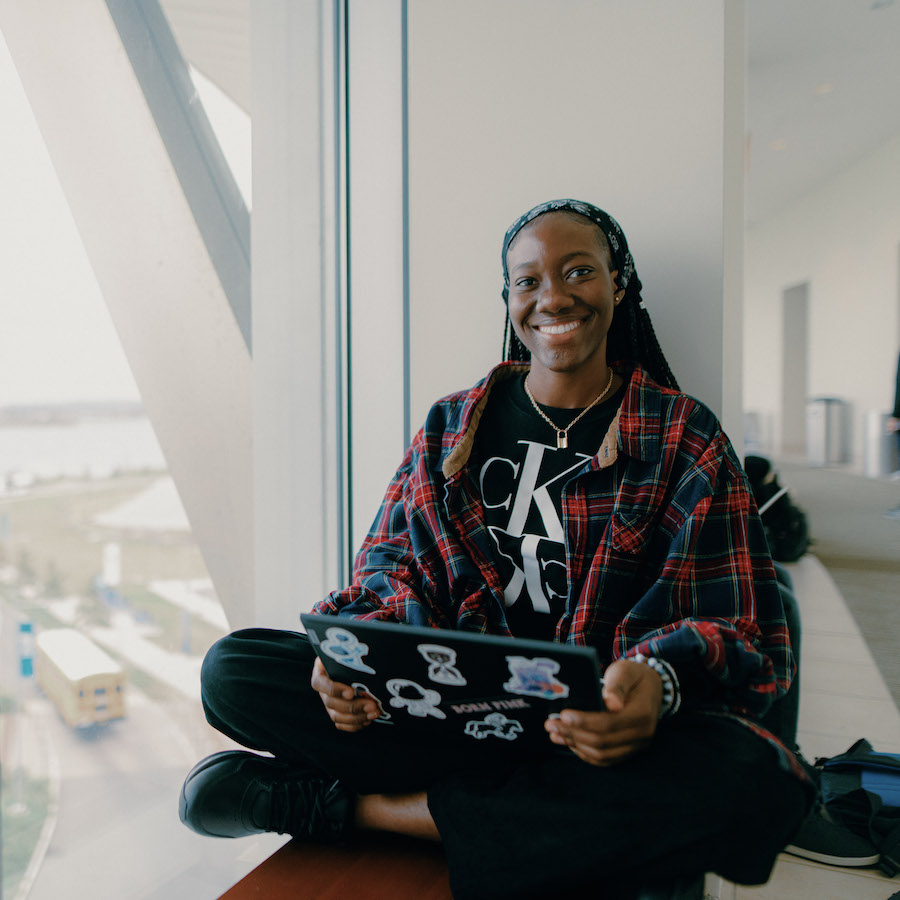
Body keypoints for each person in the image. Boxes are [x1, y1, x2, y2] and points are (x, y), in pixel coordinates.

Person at [179, 199, 813, 899]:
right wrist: (351, 659)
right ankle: (529, 820)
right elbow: (392, 568)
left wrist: (657, 685)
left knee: (757, 785)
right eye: (528, 282)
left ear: (619, 284)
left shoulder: (683, 435)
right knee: (234, 671)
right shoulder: (451, 425)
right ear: (509, 299)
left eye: (579, 272)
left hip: (595, 738)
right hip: (448, 714)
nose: (554, 297)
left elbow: (743, 624)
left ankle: (344, 810)